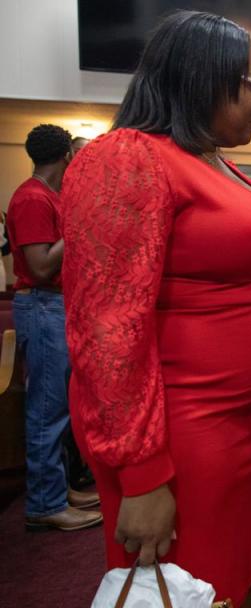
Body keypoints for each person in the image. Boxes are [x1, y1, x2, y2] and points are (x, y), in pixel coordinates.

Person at [59, 11, 251, 608]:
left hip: (236, 421)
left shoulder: (211, 158)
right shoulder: (127, 158)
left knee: (231, 585)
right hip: (178, 426)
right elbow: (107, 329)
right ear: (199, 77)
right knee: (185, 592)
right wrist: (142, 475)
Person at [7, 123, 102, 531]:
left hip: (56, 306)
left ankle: (59, 489)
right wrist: (79, 222)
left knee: (58, 407)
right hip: (43, 306)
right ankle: (45, 504)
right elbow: (43, 264)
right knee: (47, 410)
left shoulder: (47, 197)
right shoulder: (31, 198)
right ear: (66, 156)